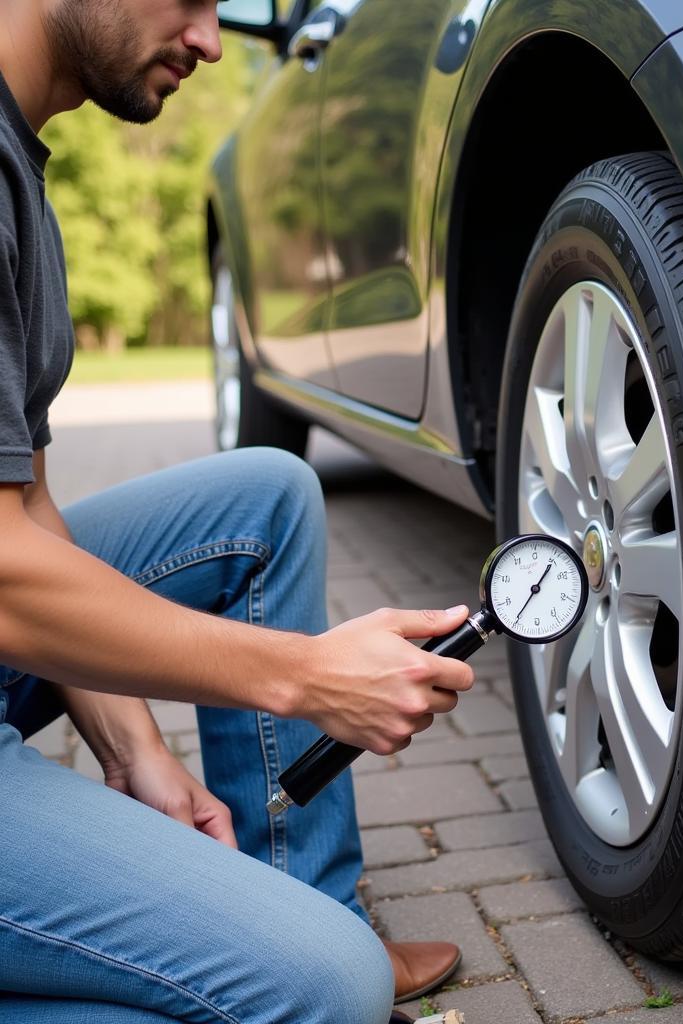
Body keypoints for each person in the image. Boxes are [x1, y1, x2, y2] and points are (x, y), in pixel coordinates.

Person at [0, 1, 475, 1020]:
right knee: (327, 988)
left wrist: (140, 756)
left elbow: (27, 508)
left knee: (265, 493)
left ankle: (299, 905)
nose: (214, 39)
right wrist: (305, 678)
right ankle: (278, 955)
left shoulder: (18, 162)